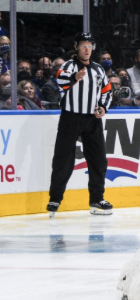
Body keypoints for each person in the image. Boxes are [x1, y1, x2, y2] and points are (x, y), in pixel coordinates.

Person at [47, 32, 114, 217]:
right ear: (76, 47)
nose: (87, 49)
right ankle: (55, 198)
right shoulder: (68, 66)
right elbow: (60, 79)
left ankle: (97, 198)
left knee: (98, 159)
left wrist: (103, 107)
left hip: (92, 119)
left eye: (89, 46)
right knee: (63, 159)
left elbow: (107, 91)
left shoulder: (99, 69)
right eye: (83, 45)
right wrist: (74, 78)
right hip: (71, 117)